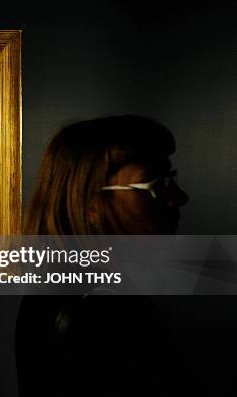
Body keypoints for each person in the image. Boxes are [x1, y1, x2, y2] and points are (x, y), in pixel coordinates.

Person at [15, 116, 196, 396]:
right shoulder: (99, 315)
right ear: (90, 204)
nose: (179, 196)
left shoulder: (64, 291)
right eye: (156, 185)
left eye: (170, 179)